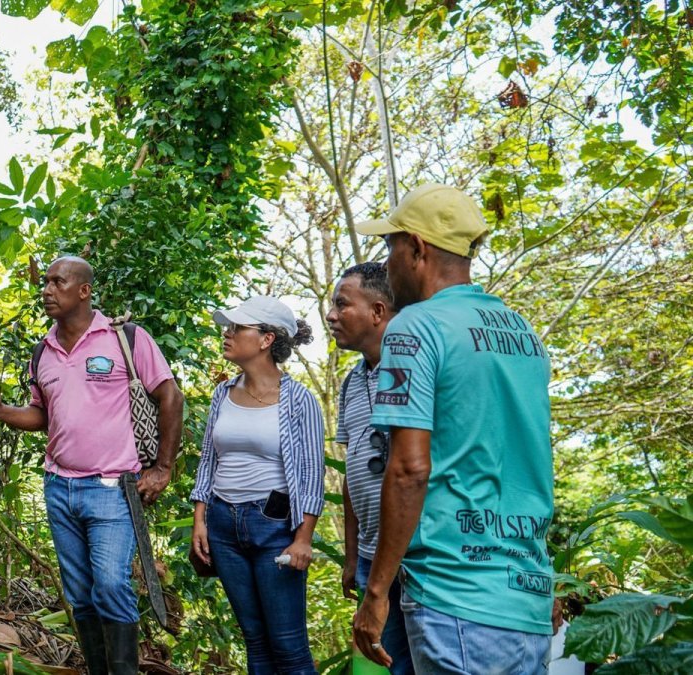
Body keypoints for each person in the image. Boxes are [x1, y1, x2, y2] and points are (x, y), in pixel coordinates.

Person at [351, 184, 554, 674]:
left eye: (390, 248)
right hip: (527, 593)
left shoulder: (414, 327)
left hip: (454, 593)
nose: (386, 266)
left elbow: (408, 469)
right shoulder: (521, 331)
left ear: (417, 249)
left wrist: (376, 592)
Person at [0, 256, 184, 675]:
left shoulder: (126, 338)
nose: (47, 290)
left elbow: (170, 396)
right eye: (46, 283)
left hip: (112, 487)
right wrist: (1, 411)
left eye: (58, 282)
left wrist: (163, 468)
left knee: (110, 584)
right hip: (60, 487)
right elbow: (42, 415)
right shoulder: (43, 350)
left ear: (84, 290)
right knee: (79, 593)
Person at [190, 296, 325, 675]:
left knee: (288, 645)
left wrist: (303, 539)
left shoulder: (299, 400)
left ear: (267, 339)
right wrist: (200, 520)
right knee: (255, 641)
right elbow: (209, 460)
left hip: (274, 527)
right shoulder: (222, 394)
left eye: (237, 328)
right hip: (222, 526)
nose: (227, 333)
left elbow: (312, 474)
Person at [326, 263, 413, 675]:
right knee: (387, 663)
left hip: (414, 553)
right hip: (369, 555)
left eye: (342, 304)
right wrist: (351, 555)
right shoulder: (351, 382)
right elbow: (353, 471)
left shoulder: (413, 368)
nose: (331, 316)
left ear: (378, 311)